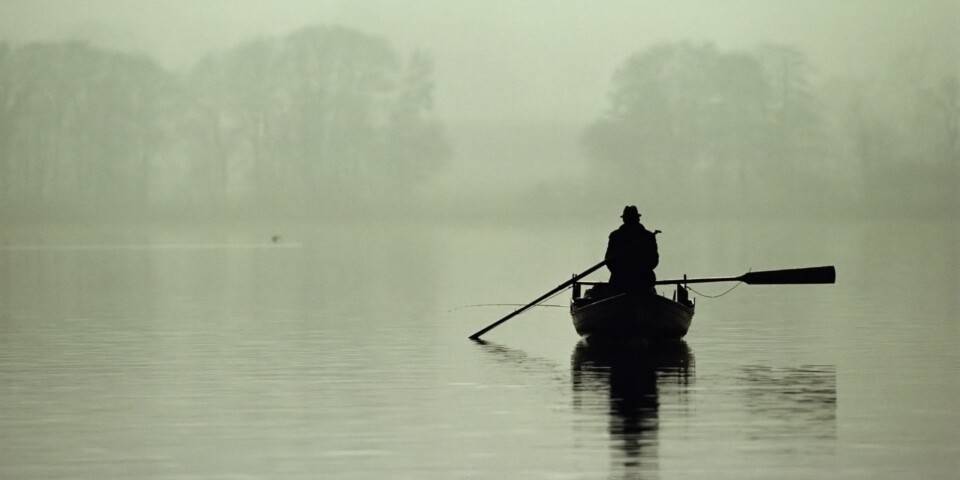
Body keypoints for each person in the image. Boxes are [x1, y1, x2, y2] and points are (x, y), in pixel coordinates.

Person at [605, 206, 659, 292]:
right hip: (621, 282)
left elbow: (653, 260)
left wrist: (638, 271)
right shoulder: (615, 236)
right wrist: (623, 273)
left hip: (642, 281)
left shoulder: (648, 237)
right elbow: (609, 260)